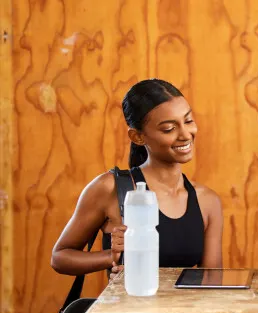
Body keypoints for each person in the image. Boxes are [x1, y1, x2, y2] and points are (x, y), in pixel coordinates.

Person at [52, 79, 223, 278]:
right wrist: (112, 256)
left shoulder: (208, 201)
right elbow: (60, 257)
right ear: (137, 137)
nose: (185, 134)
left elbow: (213, 280)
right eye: (169, 128)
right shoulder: (110, 188)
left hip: (184, 309)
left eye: (188, 121)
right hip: (130, 309)